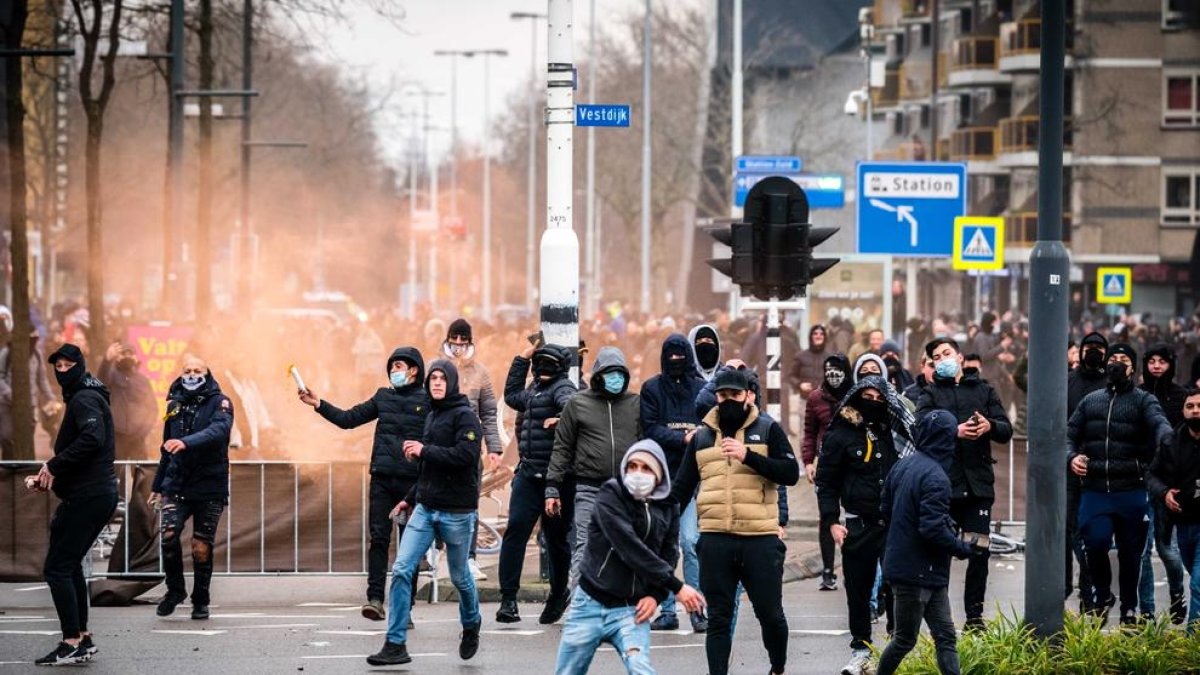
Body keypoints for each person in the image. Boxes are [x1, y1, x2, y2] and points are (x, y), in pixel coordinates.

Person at [670, 368, 800, 675]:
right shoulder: (702, 437)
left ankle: (777, 667)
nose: (728, 400)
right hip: (715, 538)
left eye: (735, 395)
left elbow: (790, 474)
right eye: (723, 395)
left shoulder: (768, 429)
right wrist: (659, 522)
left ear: (749, 397)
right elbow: (682, 488)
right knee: (718, 618)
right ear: (715, 397)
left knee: (770, 615)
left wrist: (748, 456)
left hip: (760, 539)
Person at [553, 440, 705, 674]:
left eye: (646, 468)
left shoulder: (668, 506)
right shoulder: (610, 494)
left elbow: (669, 555)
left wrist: (655, 596)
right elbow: (628, 546)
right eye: (632, 466)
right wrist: (677, 587)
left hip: (631, 609)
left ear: (659, 474)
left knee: (641, 668)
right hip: (590, 603)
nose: (637, 473)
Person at [368, 360, 483, 666]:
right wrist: (409, 498)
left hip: (457, 512)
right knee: (403, 568)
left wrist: (423, 450)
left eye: (442, 378)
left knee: (460, 578)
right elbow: (427, 470)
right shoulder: (431, 416)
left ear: (452, 382)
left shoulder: (466, 417)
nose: (436, 383)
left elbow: (466, 456)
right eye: (432, 378)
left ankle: (471, 624)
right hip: (425, 507)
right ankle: (395, 644)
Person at [300, 347, 427, 622]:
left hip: (412, 484)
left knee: (410, 546)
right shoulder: (383, 397)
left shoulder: (428, 400)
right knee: (378, 539)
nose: (395, 371)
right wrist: (318, 404)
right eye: (392, 366)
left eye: (400, 365)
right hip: (382, 479)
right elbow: (349, 419)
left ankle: (405, 608)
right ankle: (375, 599)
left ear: (414, 369)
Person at [816, 376, 915, 675]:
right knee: (858, 591)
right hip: (857, 525)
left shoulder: (893, 432)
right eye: (866, 396)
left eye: (878, 397)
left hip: (893, 523)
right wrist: (832, 521)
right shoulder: (841, 434)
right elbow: (826, 482)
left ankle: (897, 648)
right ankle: (861, 650)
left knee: (896, 586)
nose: (872, 402)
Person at [1068, 343, 1172, 625]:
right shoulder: (1090, 401)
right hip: (1095, 489)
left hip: (1132, 489)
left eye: (1123, 360)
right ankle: (1103, 595)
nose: (1116, 364)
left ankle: (1129, 607)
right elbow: (1069, 434)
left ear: (1133, 367)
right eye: (1112, 358)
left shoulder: (1143, 400)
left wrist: (1169, 441)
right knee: (1095, 543)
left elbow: (1160, 423)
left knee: (1130, 553)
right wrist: (1071, 457)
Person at [875, 410, 983, 675]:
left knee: (945, 637)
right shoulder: (937, 477)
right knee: (905, 639)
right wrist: (963, 548)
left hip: (920, 570)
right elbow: (931, 528)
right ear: (948, 439)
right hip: (916, 572)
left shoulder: (902, 465)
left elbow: (885, 508)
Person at [30, 344, 118, 666]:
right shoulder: (86, 394)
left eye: (69, 365)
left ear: (80, 366)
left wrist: (54, 465)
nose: (62, 371)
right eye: (59, 366)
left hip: (90, 495)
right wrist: (55, 474)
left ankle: (70, 642)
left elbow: (92, 439)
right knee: (70, 565)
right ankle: (82, 637)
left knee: (57, 567)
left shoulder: (84, 398)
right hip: (92, 492)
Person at [917, 338, 1012, 630]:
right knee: (939, 553)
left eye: (947, 353)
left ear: (960, 358)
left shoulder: (983, 390)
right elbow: (919, 430)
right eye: (936, 356)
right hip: (942, 488)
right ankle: (939, 618)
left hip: (978, 488)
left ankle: (974, 617)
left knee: (979, 552)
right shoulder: (930, 393)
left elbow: (1006, 429)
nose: (942, 358)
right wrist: (952, 431)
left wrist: (989, 426)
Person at [545, 347, 641, 589]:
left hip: (625, 491)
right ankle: (580, 606)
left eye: (620, 373)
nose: (615, 378)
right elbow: (562, 448)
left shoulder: (635, 404)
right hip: (588, 488)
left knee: (625, 548)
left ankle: (623, 606)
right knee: (586, 547)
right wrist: (552, 488)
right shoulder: (578, 403)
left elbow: (646, 447)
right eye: (610, 373)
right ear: (599, 374)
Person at [497, 342, 578, 625]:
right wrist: (521, 357)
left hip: (558, 479)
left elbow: (571, 404)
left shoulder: (562, 387)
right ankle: (508, 600)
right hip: (528, 476)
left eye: (548, 363)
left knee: (556, 540)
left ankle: (558, 595)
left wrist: (562, 418)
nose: (542, 367)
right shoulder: (532, 390)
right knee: (516, 530)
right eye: (538, 361)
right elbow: (510, 395)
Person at [149, 355, 234, 621]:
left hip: (210, 485)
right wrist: (157, 485)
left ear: (207, 374)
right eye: (187, 370)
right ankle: (175, 590)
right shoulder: (173, 403)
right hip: (177, 483)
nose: (192, 374)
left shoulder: (221, 402)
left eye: (198, 370)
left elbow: (219, 431)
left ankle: (201, 599)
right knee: (168, 536)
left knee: (200, 545)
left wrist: (186, 442)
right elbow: (166, 447)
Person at [639, 333, 706, 631]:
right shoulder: (652, 388)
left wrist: (695, 439)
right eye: (671, 356)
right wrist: (682, 439)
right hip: (661, 481)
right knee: (660, 547)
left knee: (690, 543)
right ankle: (666, 610)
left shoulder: (702, 389)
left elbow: (709, 424)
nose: (676, 361)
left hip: (691, 480)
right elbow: (650, 427)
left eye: (681, 355)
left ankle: (696, 608)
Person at [442, 319, 503, 580]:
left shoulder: (481, 374)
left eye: (463, 341)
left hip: (469, 450)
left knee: (469, 506)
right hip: (439, 447)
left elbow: (489, 413)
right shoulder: (437, 370)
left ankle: (469, 559)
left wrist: (494, 448)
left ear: (470, 343)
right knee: (434, 504)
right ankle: (435, 557)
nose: (458, 346)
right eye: (454, 340)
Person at [1138, 343, 1188, 622]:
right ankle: (1146, 611)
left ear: (1171, 365)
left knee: (1168, 550)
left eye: (1163, 361)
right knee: (1143, 552)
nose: (1157, 366)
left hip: (1170, 482)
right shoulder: (1138, 395)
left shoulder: (1183, 397)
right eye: (1152, 361)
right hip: (1140, 479)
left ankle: (1177, 595)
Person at [1147, 389, 1200, 630]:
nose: (1195, 410)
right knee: (1194, 575)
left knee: (1198, 584)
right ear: (1183, 411)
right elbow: (1152, 475)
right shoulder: (1171, 442)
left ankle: (1192, 644)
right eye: (1190, 406)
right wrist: (1164, 492)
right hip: (1183, 524)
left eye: (1199, 406)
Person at [1065, 331, 1109, 611]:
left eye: (1098, 348)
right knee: (1070, 529)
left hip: (1101, 468)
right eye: (1088, 347)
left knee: (1093, 532)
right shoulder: (1068, 381)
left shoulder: (1110, 384)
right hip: (1070, 466)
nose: (1093, 351)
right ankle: (1068, 586)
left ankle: (1089, 590)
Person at [803, 354, 852, 591]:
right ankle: (828, 569)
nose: (833, 375)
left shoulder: (855, 395)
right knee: (827, 516)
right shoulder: (815, 398)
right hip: (826, 464)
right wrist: (808, 462)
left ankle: (853, 565)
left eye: (838, 370)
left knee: (854, 514)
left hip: (853, 464)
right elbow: (809, 433)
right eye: (829, 370)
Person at [97, 342, 157, 460]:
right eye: (123, 353)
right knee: (116, 475)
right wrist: (107, 361)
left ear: (136, 357)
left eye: (131, 353)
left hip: (138, 438)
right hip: (116, 436)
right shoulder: (111, 375)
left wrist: (143, 432)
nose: (127, 356)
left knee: (141, 475)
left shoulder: (143, 381)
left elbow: (153, 409)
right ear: (117, 357)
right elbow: (101, 383)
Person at [791, 325, 829, 399]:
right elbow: (792, 376)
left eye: (821, 334)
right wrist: (800, 385)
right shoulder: (800, 356)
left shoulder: (830, 358)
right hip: (806, 399)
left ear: (824, 337)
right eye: (815, 333)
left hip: (825, 400)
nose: (818, 336)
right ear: (811, 337)